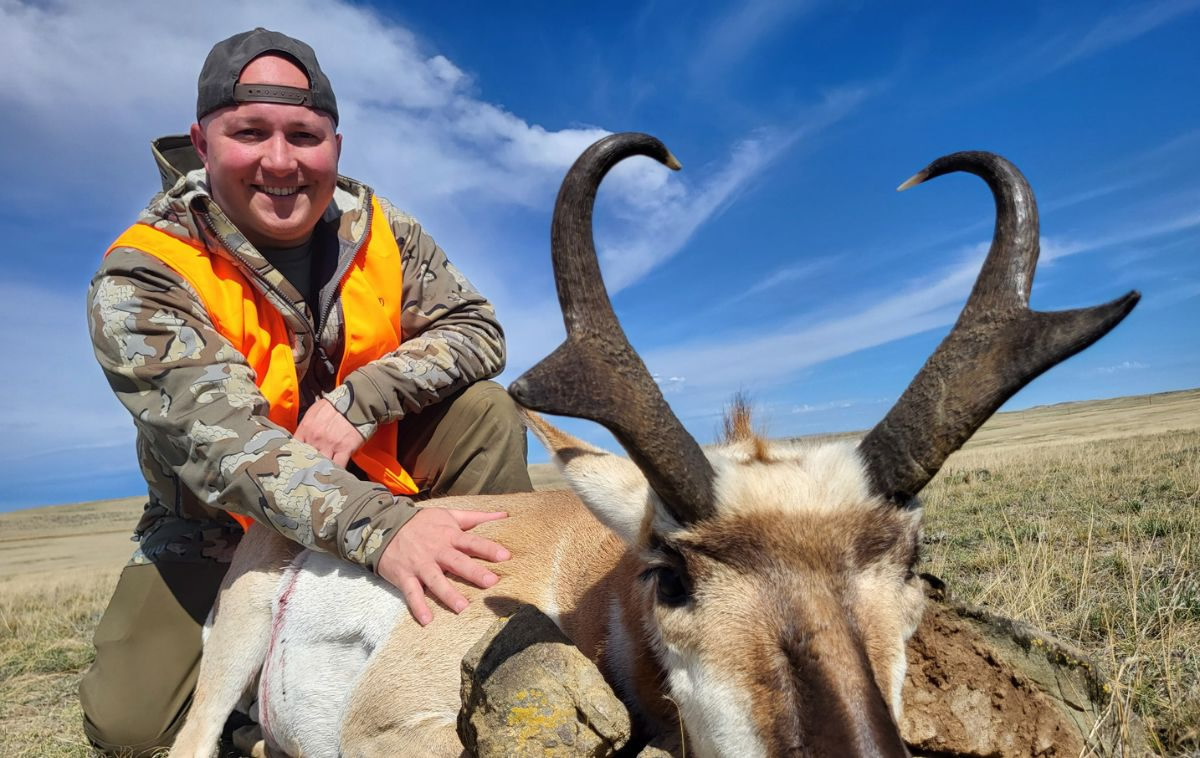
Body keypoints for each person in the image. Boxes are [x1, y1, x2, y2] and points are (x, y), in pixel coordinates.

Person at [81, 27, 532, 755]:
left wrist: (359, 402)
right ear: (201, 143)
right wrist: (385, 531)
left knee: (484, 410)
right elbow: (232, 454)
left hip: (384, 478)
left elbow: (477, 330)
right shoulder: (143, 276)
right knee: (131, 727)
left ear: (335, 146)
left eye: (304, 135)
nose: (281, 161)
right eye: (249, 132)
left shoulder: (380, 227)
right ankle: (269, 699)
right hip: (223, 525)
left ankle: (491, 629)